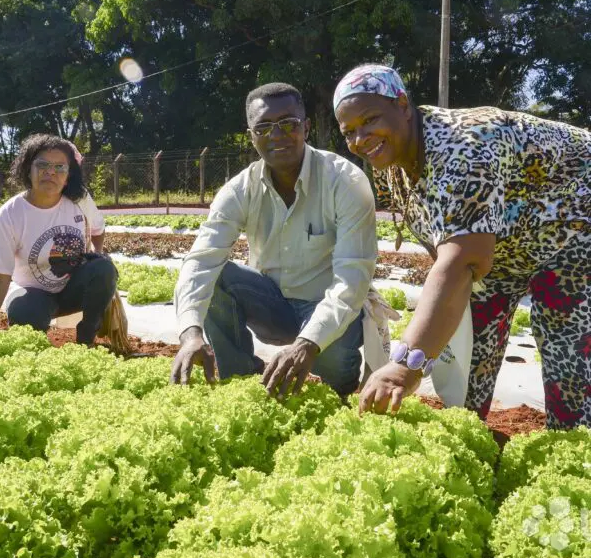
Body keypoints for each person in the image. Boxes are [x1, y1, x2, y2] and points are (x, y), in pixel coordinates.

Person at [333, 63, 591, 429]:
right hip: (508, 245)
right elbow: (448, 248)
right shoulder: (391, 161)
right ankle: (468, 431)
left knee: (565, 340)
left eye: (370, 119)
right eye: (349, 132)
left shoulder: (465, 146)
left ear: (403, 105)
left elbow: (462, 258)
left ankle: (576, 451)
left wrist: (405, 365)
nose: (361, 138)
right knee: (469, 354)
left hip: (575, 224)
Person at [171, 82, 377, 398]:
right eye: (263, 128)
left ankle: (340, 385)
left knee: (334, 371)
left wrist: (308, 343)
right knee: (217, 275)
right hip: (273, 305)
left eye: (288, 124)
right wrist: (190, 333)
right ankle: (239, 383)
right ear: (251, 135)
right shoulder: (240, 189)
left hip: (327, 304)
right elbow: (201, 260)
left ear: (306, 127)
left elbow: (352, 279)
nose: (276, 136)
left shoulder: (344, 181)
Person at [0, 133, 117, 345]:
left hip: (72, 290)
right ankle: (37, 345)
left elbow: (98, 228)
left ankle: (87, 335)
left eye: (60, 167)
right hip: (32, 294)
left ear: (68, 176)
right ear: (28, 170)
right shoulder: (11, 214)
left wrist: (98, 252)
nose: (50, 172)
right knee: (25, 312)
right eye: (42, 164)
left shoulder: (80, 200)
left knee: (104, 268)